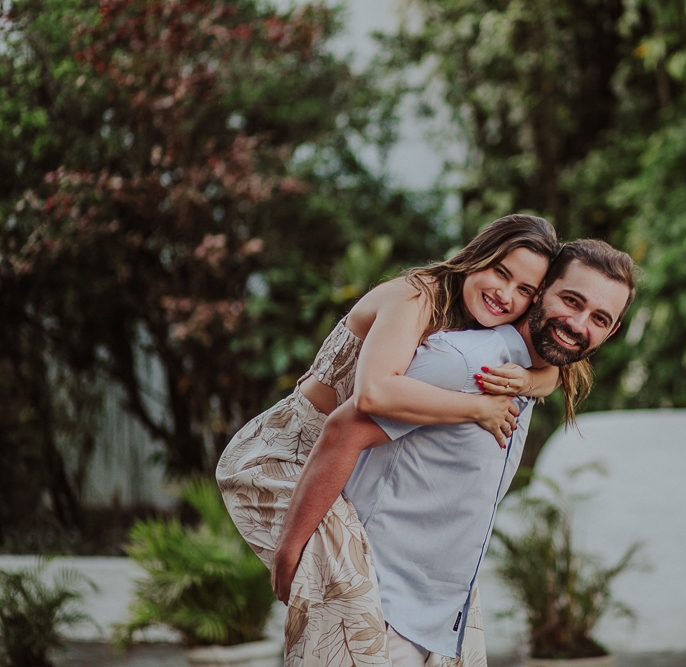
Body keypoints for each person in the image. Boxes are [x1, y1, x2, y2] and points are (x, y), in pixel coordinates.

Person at [217, 214, 570, 664]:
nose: (506, 295)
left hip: (335, 464)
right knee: (353, 610)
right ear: (477, 256)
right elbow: (374, 393)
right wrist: (479, 407)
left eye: (525, 291)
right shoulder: (418, 295)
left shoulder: (475, 326)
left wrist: (529, 380)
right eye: (501, 272)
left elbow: (556, 370)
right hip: (280, 457)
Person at [269, 239, 637, 667]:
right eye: (571, 300)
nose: (578, 323)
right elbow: (342, 430)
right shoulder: (464, 363)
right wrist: (291, 551)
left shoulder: (531, 377)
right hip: (375, 616)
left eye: (599, 319)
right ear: (541, 294)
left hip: (442, 627)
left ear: (609, 333)